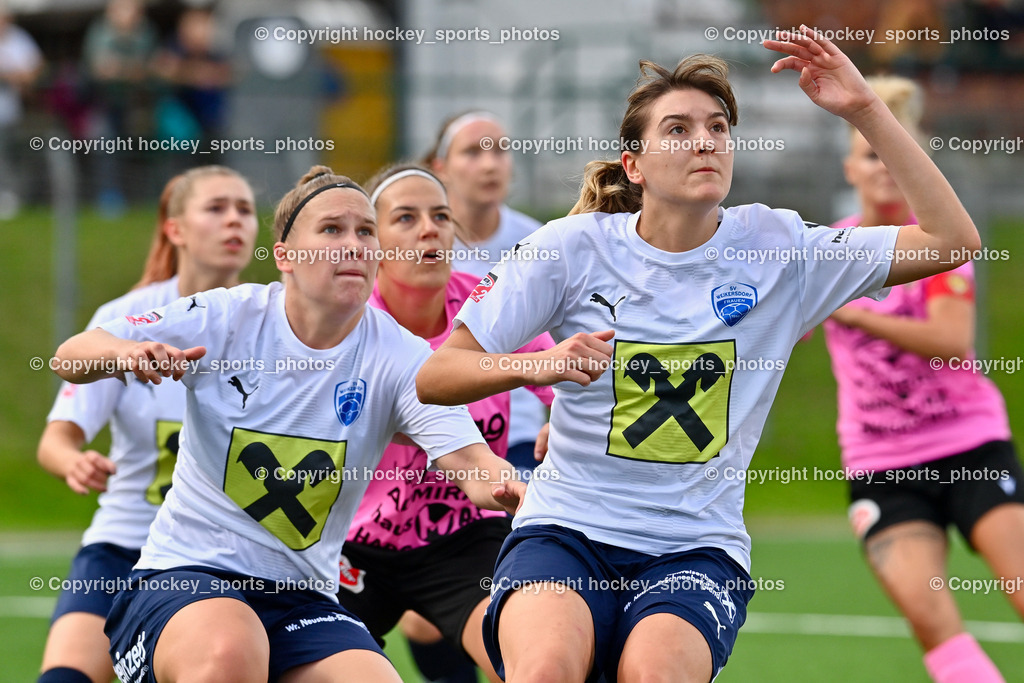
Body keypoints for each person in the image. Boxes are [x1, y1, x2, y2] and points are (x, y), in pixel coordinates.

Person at [416, 27, 982, 682]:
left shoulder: (778, 249)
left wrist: (863, 110)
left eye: (717, 127)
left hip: (693, 547)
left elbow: (952, 239)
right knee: (545, 668)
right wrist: (534, 364)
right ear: (635, 164)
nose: (706, 140)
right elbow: (438, 373)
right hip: (565, 531)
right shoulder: (568, 249)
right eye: (679, 129)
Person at [52, 165, 525, 683]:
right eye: (331, 230)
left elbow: (471, 463)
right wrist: (127, 351)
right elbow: (72, 354)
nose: (354, 244)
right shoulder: (228, 317)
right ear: (285, 257)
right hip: (187, 580)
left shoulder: (401, 356)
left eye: (365, 231)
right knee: (228, 654)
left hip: (302, 598)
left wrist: (514, 487)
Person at [824, 76, 1024, 683]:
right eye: (870, 157)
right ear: (849, 167)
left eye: (894, 155)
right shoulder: (829, 250)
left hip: (968, 444)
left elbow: (951, 339)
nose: (884, 169)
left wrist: (855, 310)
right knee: (932, 621)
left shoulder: (933, 245)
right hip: (881, 462)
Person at [37, 164, 258, 683]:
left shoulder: (272, 323)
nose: (235, 222)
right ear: (175, 228)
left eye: (245, 210)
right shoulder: (125, 319)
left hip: (225, 558)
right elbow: (57, 437)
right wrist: (75, 461)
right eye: (217, 208)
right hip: (125, 543)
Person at [334, 164, 554, 683]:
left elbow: (563, 379)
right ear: (373, 241)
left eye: (440, 216)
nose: (429, 229)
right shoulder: (344, 319)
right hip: (349, 544)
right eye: (405, 218)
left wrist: (562, 420)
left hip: (465, 538)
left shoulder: (488, 303)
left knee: (537, 662)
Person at [424, 111, 549, 473]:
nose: (490, 164)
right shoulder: (420, 244)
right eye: (473, 152)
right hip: (432, 431)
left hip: (517, 437)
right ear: (441, 167)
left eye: (500, 150)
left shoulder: (540, 242)